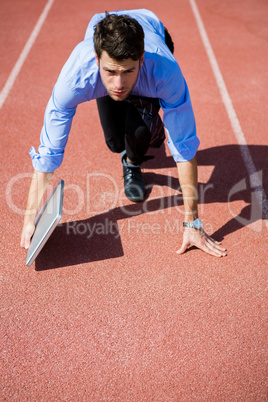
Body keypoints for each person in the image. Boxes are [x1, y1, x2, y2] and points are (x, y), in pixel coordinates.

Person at [20, 9, 226, 257]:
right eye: (111, 71)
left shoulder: (165, 72)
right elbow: (50, 151)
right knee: (115, 141)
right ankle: (125, 138)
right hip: (104, 65)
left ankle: (133, 161)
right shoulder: (76, 78)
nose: (119, 84)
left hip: (152, 34)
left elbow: (184, 145)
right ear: (97, 61)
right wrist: (30, 217)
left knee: (140, 132)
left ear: (140, 59)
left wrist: (192, 223)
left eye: (127, 71)